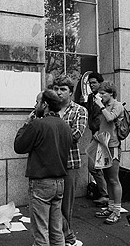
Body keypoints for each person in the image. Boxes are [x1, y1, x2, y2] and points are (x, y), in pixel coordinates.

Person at [14, 89, 72, 246]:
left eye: (37, 102)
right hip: (59, 182)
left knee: (41, 232)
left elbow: (19, 146)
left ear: (45, 104)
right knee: (56, 230)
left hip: (41, 183)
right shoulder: (65, 126)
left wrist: (26, 123)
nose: (35, 105)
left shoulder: (37, 124)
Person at [52, 75, 88, 246]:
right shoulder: (48, 108)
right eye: (56, 89)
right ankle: (58, 236)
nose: (58, 92)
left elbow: (76, 135)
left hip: (69, 162)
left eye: (63, 89)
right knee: (49, 204)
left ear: (71, 92)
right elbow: (33, 127)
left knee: (66, 204)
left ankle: (66, 238)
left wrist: (49, 135)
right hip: (49, 163)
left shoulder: (79, 110)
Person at [93, 81, 124, 225]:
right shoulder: (104, 106)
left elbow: (110, 118)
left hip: (113, 146)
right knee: (107, 177)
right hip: (103, 144)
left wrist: (100, 106)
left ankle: (117, 210)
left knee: (113, 179)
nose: (100, 96)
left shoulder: (117, 105)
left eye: (103, 93)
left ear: (111, 93)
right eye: (99, 93)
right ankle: (111, 207)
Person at [83, 72, 109, 205]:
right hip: (95, 134)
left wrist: (98, 131)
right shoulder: (90, 98)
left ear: (100, 83)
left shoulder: (104, 98)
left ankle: (106, 195)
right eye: (90, 83)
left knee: (94, 167)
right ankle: (105, 194)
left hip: (101, 135)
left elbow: (103, 116)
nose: (91, 85)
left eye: (94, 83)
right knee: (95, 167)